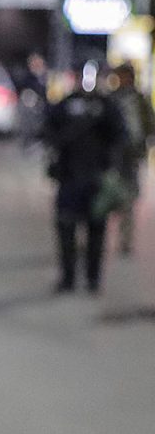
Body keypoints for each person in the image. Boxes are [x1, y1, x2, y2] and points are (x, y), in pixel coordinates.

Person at [44, 63, 126, 292]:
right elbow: (48, 130)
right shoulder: (66, 105)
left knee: (96, 232)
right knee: (66, 229)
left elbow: (120, 137)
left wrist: (110, 164)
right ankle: (69, 278)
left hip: (96, 179)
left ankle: (92, 279)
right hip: (70, 177)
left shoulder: (106, 106)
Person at [105, 63, 154, 256]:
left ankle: (126, 240)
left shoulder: (140, 100)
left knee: (130, 198)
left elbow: (150, 124)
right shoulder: (111, 99)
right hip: (112, 155)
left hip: (132, 154)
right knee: (108, 195)